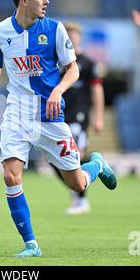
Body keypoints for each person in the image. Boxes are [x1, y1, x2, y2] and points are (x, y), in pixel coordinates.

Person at [0, 0, 117, 258]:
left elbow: (73, 69)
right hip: (17, 114)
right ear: (25, 0)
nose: (47, 2)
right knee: (10, 176)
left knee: (77, 183)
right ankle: (31, 244)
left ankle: (97, 165)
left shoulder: (55, 30)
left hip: (50, 115)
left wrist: (57, 91)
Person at [52, 22, 105, 215]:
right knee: (54, 159)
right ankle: (78, 186)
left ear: (79, 37)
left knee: (74, 154)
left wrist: (98, 117)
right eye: (68, 35)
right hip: (58, 116)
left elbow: (97, 90)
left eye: (74, 34)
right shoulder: (57, 63)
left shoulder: (88, 63)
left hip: (79, 116)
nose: (71, 38)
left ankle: (81, 200)